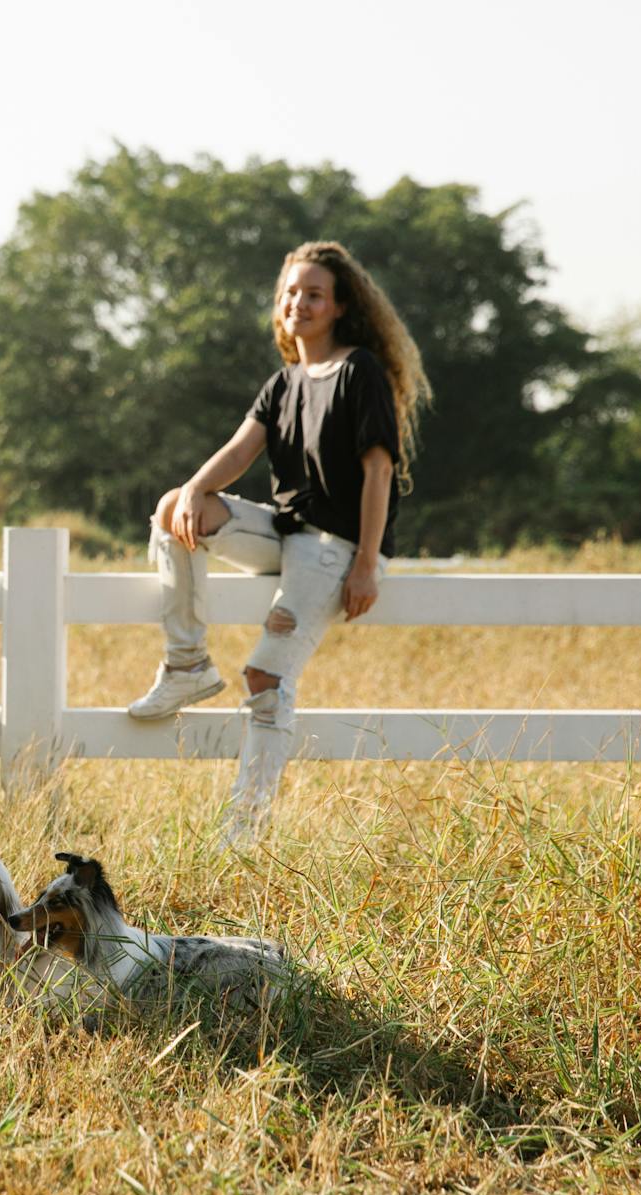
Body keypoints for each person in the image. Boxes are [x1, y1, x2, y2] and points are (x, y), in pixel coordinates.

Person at [125, 240, 432, 839]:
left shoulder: (358, 371)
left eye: (314, 294)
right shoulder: (285, 380)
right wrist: (191, 491)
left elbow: (378, 471)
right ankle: (187, 663)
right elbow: (240, 451)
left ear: (340, 306)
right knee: (172, 511)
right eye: (291, 292)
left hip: (337, 547)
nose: (299, 303)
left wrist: (368, 562)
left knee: (267, 677)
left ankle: (245, 831)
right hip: (287, 531)